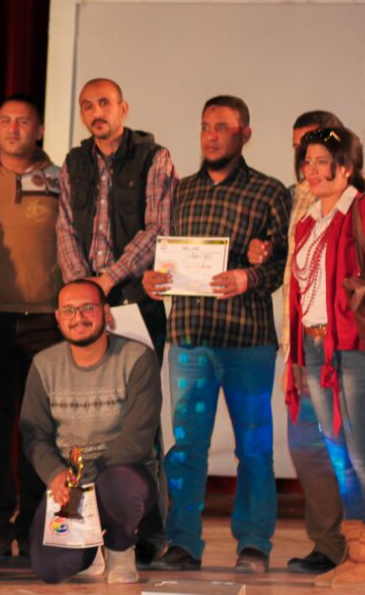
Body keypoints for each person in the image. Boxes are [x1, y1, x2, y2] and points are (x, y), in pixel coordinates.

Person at [249, 110, 365, 575]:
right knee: (340, 455)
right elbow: (304, 294)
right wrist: (298, 354)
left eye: (323, 161)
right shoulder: (308, 221)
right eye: (307, 161)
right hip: (317, 350)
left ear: (347, 166)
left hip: (357, 345)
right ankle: (355, 553)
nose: (312, 170)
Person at [143, 96, 291, 574]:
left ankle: (254, 544)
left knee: (255, 449)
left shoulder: (269, 192)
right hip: (190, 339)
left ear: (245, 133)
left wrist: (250, 276)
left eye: (222, 127)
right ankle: (183, 543)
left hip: (248, 341)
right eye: (206, 126)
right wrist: (153, 279)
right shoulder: (180, 191)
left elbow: (282, 262)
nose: (211, 135)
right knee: (186, 448)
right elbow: (162, 255)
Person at [56, 77, 174, 562]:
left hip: (135, 305)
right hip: (87, 309)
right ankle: (87, 523)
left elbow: (157, 228)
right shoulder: (74, 162)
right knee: (85, 411)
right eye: (87, 106)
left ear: (123, 108)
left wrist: (105, 282)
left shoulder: (154, 157)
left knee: (139, 417)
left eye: (104, 103)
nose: (95, 112)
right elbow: (65, 227)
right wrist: (84, 294)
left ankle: (148, 530)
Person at [0, 94, 64, 563]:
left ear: (39, 130)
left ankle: (36, 528)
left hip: (47, 318)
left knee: (40, 430)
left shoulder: (61, 179)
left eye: (24, 121)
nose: (14, 128)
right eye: (6, 120)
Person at [21, 279, 162, 585]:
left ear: (106, 312)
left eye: (88, 308)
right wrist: (56, 474)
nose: (79, 317)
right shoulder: (44, 365)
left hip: (122, 474)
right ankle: (91, 548)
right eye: (69, 310)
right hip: (70, 483)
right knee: (51, 569)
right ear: (58, 318)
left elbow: (137, 438)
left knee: (118, 486)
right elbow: (35, 435)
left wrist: (86, 482)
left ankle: (120, 546)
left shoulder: (137, 357)